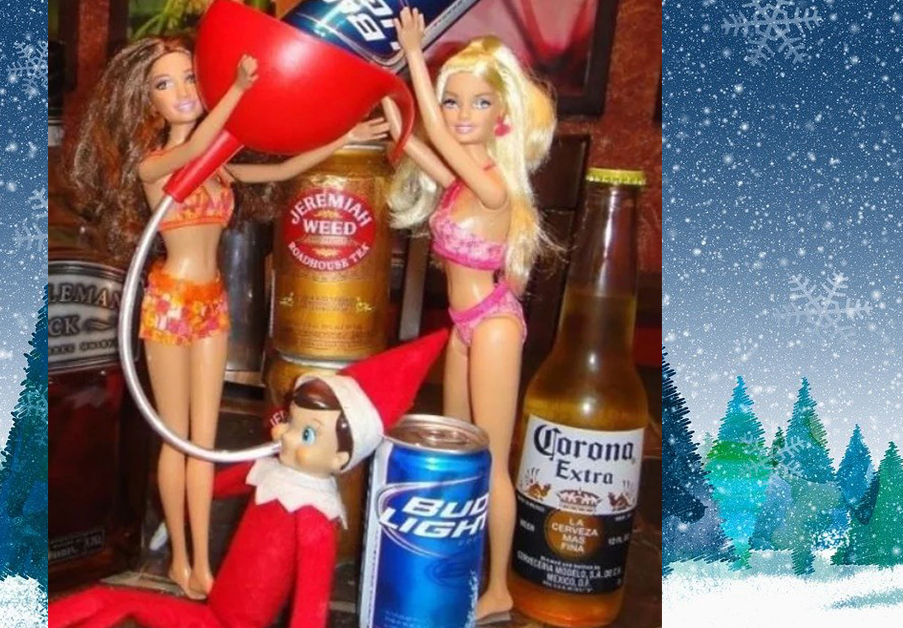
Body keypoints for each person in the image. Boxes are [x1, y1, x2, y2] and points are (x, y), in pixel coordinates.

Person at [68, 35, 388, 599]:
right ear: (148, 102)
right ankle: (179, 558)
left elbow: (285, 168)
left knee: (205, 440)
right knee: (176, 438)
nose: (181, 92)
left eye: (190, 78)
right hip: (170, 302)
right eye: (164, 84)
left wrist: (344, 137)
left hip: (212, 302)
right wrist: (238, 91)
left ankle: (202, 562)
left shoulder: (220, 168)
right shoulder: (155, 165)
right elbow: (193, 149)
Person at [48, 329, 451, 628]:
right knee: (111, 600)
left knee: (121, 603)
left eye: (307, 435)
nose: (286, 435)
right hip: (214, 610)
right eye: (291, 421)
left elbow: (310, 606)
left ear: (341, 458)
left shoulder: (315, 517)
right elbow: (212, 488)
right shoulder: (269, 472)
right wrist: (177, 517)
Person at [382, 8, 557, 622]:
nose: (460, 115)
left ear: (501, 114)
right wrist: (391, 108)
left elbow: (434, 131)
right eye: (452, 101)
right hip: (463, 328)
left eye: (478, 103)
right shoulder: (462, 182)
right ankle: (451, 561)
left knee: (491, 462)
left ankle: (499, 586)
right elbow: (418, 147)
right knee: (456, 451)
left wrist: (414, 55)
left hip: (493, 326)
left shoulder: (493, 186)